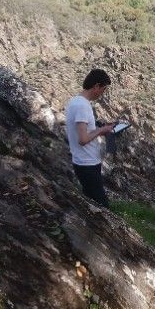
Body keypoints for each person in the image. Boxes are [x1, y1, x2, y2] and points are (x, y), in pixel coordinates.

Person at [65, 68, 115, 208]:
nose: (102, 94)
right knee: (102, 205)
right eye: (103, 89)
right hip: (87, 163)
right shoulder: (82, 106)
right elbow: (83, 139)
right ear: (96, 86)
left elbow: (82, 131)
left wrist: (98, 128)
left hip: (82, 161)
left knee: (90, 203)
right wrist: (101, 130)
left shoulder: (75, 101)